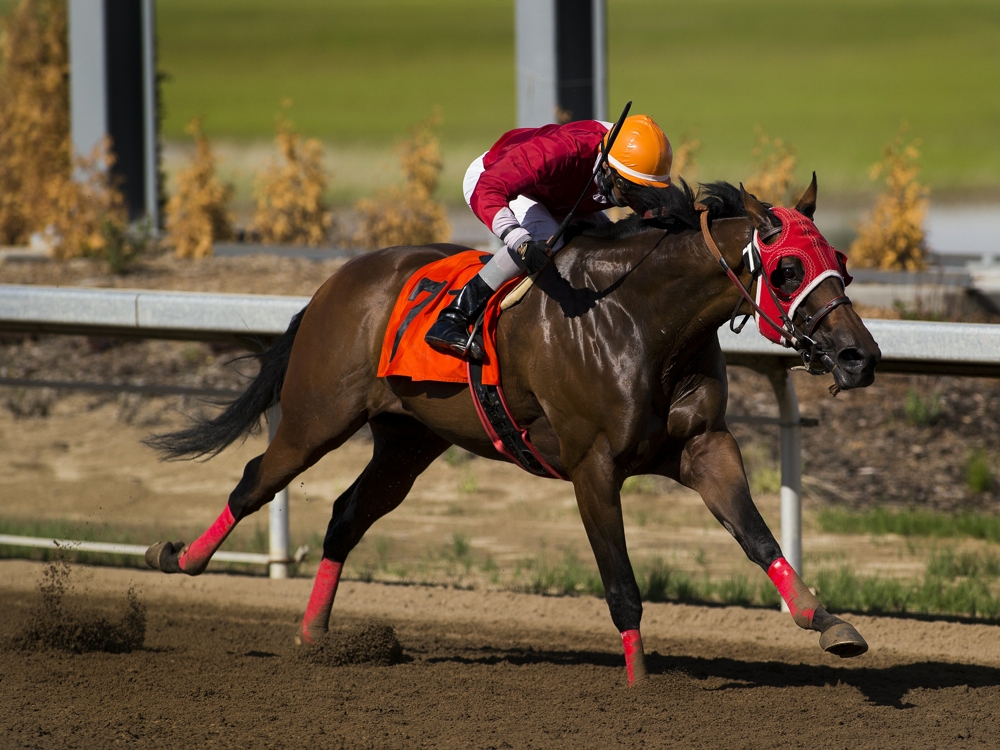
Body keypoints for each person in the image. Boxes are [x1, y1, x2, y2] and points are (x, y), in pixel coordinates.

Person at [424, 115, 673, 359]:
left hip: (559, 193)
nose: (635, 200)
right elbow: (488, 189)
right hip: (495, 178)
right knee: (548, 238)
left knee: (605, 245)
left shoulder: (634, 164)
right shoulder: (563, 150)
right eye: (630, 188)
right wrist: (521, 242)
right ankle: (454, 316)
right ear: (607, 165)